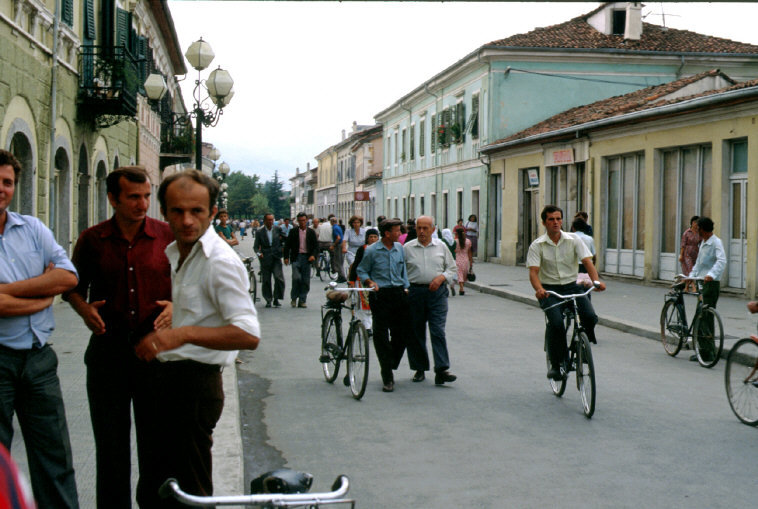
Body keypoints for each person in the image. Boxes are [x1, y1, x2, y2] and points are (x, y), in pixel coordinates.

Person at [134, 169, 260, 508]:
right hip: (168, 381)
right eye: (177, 211)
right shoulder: (179, 253)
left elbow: (248, 334)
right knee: (158, 486)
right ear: (164, 212)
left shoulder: (219, 261)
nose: (187, 220)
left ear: (212, 212)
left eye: (197, 211)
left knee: (191, 490)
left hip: (194, 385)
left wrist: (181, 335)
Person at [64, 165, 174, 509]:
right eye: (133, 198)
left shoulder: (167, 237)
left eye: (145, 197)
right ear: (113, 198)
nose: (142, 205)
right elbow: (72, 288)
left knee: (155, 449)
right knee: (111, 450)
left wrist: (176, 306)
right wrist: (83, 308)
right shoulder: (92, 240)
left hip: (154, 356)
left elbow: (192, 284)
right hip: (107, 356)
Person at [0, 149, 80, 508]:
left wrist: (7, 292)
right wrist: (40, 296)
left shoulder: (32, 228)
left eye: (7, 182)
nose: (1, 189)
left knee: (55, 458)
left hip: (39, 361)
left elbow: (67, 276)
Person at [527, 205, 605, 381]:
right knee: (556, 324)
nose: (555, 222)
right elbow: (533, 272)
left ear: (562, 221)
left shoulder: (573, 240)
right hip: (549, 290)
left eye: (558, 219)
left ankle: (583, 344)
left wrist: (596, 281)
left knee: (590, 316)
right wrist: (539, 289)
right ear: (544, 222)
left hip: (572, 286)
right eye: (551, 219)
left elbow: (587, 261)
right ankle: (556, 364)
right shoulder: (537, 245)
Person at [356, 218, 410, 393]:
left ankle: (391, 361)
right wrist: (370, 281)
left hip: (399, 293)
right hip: (380, 295)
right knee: (381, 335)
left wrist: (406, 286)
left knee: (401, 334)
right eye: (397, 231)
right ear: (387, 233)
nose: (400, 234)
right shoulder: (372, 250)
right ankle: (387, 376)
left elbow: (403, 270)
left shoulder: (399, 248)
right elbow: (361, 270)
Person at [404, 216, 457, 385]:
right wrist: (405, 287)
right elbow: (400, 271)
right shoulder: (407, 248)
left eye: (425, 228)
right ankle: (419, 368)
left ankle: (441, 369)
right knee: (416, 331)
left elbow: (452, 268)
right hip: (415, 292)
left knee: (437, 330)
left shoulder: (441, 246)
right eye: (419, 228)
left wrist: (441, 278)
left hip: (437, 293)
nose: (421, 232)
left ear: (433, 230)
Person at [687, 216, 726, 362]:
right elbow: (698, 264)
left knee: (706, 316)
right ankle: (703, 349)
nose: (697, 232)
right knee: (701, 315)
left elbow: (722, 260)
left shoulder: (716, 242)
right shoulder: (703, 243)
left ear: (703, 229)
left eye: (698, 229)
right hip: (701, 282)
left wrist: (711, 274)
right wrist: (691, 276)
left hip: (711, 284)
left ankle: (707, 352)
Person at [284, 212, 318, 308]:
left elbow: (316, 246)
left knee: (305, 280)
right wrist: (286, 257)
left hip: (307, 258)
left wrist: (313, 255)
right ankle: (294, 298)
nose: (302, 222)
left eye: (304, 220)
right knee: (296, 278)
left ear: (306, 220)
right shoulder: (293, 231)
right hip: (296, 257)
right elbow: (287, 245)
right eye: (300, 221)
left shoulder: (311, 232)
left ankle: (302, 300)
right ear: (297, 221)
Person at [254, 213, 285, 308]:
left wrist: (283, 248)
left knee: (279, 278)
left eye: (272, 219)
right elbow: (255, 247)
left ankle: (276, 298)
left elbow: (285, 239)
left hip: (276, 257)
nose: (270, 221)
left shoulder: (278, 229)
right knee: (266, 280)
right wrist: (259, 254)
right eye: (269, 220)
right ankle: (268, 299)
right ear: (264, 221)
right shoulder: (259, 232)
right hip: (265, 258)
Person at [571, 217, 596, 292]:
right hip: (586, 265)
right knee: (586, 285)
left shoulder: (569, 238)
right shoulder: (589, 239)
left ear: (573, 228)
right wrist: (593, 266)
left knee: (573, 286)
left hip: (573, 265)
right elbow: (594, 255)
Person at [679, 216, 700, 293]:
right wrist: (681, 255)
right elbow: (683, 244)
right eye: (695, 223)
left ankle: (686, 287)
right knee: (690, 269)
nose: (696, 224)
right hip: (687, 252)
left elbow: (701, 242)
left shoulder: (699, 232)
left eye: (698, 223)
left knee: (691, 270)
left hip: (695, 252)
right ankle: (694, 287)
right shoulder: (687, 232)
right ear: (692, 223)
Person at [454, 226, 473, 296]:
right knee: (464, 273)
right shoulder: (468, 241)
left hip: (458, 258)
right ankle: (462, 287)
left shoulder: (455, 241)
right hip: (465, 259)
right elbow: (470, 252)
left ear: (457, 234)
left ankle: (461, 288)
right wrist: (471, 262)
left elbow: (454, 250)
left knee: (459, 273)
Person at [440, 228, 457, 295]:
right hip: (453, 258)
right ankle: (452, 285)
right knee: (451, 272)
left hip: (445, 258)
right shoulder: (454, 241)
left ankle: (445, 288)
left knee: (445, 273)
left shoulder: (443, 240)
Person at [330, 215, 346, 282]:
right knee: (340, 261)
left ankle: (341, 276)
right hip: (341, 244)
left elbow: (338, 238)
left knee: (338, 261)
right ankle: (341, 276)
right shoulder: (338, 227)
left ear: (331, 222)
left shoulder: (334, 228)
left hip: (338, 245)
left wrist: (333, 245)